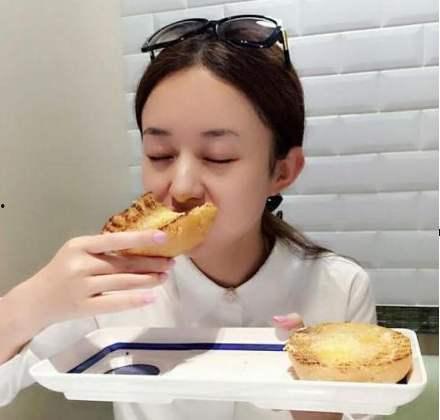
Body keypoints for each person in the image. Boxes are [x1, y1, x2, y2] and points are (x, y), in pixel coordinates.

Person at [0, 15, 377, 420]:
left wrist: (316, 408)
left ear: (282, 171)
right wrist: (29, 304)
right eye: (159, 154)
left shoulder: (340, 287)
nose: (181, 188)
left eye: (219, 157)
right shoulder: (114, 285)